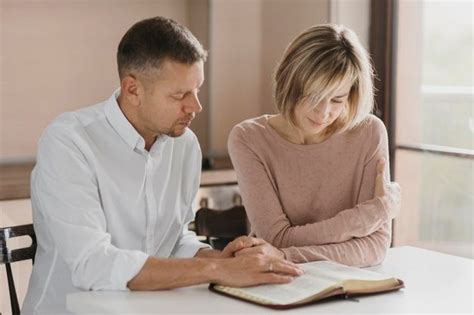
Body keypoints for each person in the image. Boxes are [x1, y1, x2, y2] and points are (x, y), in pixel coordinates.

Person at [23, 16, 302, 315]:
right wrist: (213, 270)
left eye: (197, 90)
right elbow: (93, 265)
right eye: (179, 95)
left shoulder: (184, 145)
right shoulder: (69, 141)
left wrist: (219, 259)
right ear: (132, 90)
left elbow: (172, 239)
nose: (195, 106)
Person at [228, 24, 401, 267]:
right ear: (290, 83)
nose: (324, 113)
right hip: (279, 283)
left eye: (337, 100)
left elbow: (375, 247)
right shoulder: (248, 138)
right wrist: (372, 214)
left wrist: (287, 256)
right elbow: (276, 238)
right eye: (313, 97)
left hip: (347, 284)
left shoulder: (369, 133)